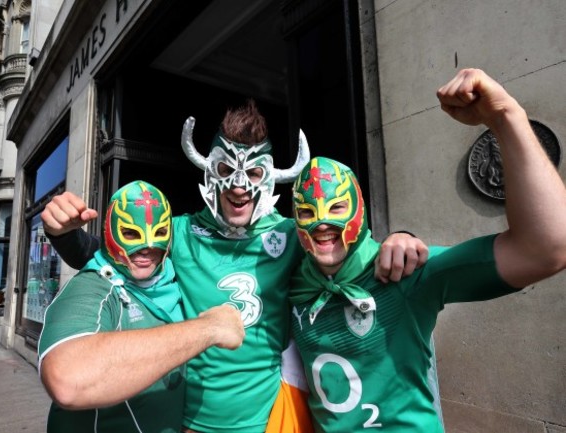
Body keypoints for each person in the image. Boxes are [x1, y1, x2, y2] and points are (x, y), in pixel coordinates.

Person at [41, 101, 428, 432]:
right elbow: (118, 256)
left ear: (269, 175)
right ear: (210, 170)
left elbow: (350, 254)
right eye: (226, 171)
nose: (239, 185)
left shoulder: (295, 236)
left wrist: (400, 238)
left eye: (254, 173)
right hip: (188, 423)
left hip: (270, 422)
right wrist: (63, 234)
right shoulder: (181, 233)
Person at [287, 68, 566, 432]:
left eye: (337, 207)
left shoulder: (401, 272)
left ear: (360, 208)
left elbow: (546, 249)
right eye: (307, 212)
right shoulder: (291, 285)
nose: (322, 222)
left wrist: (505, 116)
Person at [38, 180, 245, 432]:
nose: (146, 247)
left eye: (158, 233)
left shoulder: (172, 275)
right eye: (131, 234)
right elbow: (68, 380)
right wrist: (208, 329)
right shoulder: (94, 287)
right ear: (110, 230)